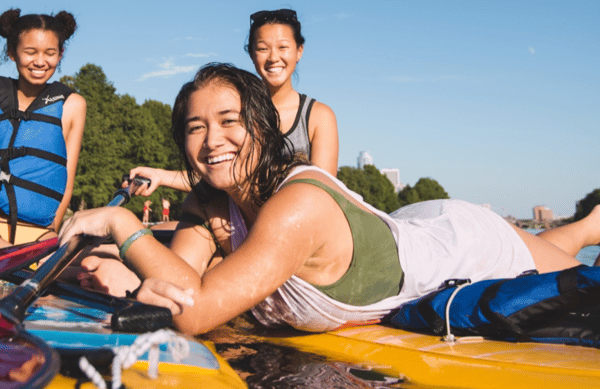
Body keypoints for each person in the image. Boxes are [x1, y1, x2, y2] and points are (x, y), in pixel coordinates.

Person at [60, 63, 597, 336]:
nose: (212, 140)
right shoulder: (208, 206)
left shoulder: (298, 207)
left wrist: (118, 222)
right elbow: (182, 287)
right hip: (399, 232)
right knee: (555, 248)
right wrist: (121, 266)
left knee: (571, 273)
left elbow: (195, 311)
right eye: (195, 128)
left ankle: (588, 226)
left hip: (460, 245)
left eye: (229, 122)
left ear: (265, 132)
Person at [125, 8, 338, 197]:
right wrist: (160, 176)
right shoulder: (232, 111)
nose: (273, 57)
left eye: (283, 47)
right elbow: (219, 173)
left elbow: (322, 194)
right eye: (263, 48)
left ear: (299, 51)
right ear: (252, 54)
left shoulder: (318, 116)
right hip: (241, 222)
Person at [0, 9, 85, 247]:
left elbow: (67, 180)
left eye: (50, 53)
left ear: (60, 54)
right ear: (12, 53)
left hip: (38, 234)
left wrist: (50, 233)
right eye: (30, 52)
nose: (40, 61)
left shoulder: (72, 105)